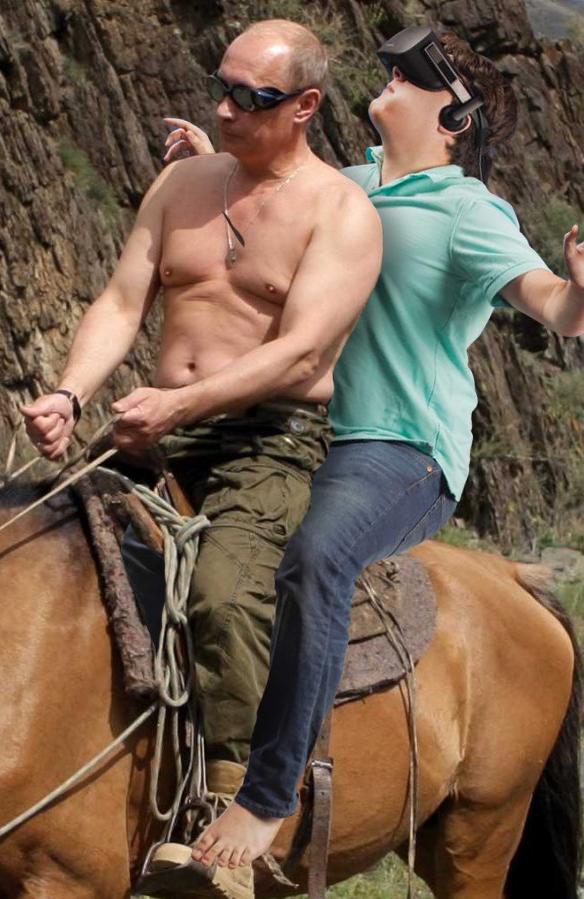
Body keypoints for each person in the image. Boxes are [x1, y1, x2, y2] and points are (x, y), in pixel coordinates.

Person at [161, 25, 584, 891]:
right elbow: (274, 208)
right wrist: (215, 162)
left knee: (316, 559)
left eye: (410, 78)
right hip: (298, 435)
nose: (388, 78)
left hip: (400, 448)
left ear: (453, 117)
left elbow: (552, 308)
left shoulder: (468, 211)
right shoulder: (347, 184)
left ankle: (265, 798)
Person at [21, 19, 382, 897]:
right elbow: (122, 301)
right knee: (35, 547)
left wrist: (179, 403)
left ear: (305, 106)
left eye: (250, 98)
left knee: (225, 592)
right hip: (160, 430)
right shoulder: (182, 183)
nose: (223, 109)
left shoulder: (341, 212)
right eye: (220, 87)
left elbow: (300, 353)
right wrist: (70, 392)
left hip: (271, 440)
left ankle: (233, 822)